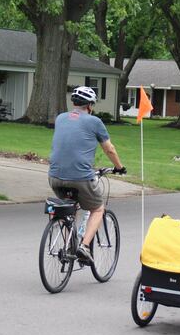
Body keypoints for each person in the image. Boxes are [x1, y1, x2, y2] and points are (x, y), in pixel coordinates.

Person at [48, 86, 126, 265]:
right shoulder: (94, 122)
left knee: (69, 209)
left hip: (54, 176)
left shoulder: (60, 118)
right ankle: (84, 246)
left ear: (74, 103)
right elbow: (109, 149)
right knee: (97, 208)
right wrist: (119, 168)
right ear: (90, 105)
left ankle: (69, 245)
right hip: (81, 177)